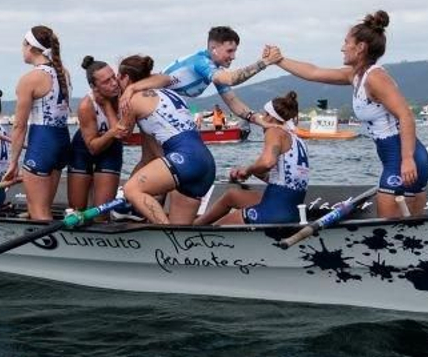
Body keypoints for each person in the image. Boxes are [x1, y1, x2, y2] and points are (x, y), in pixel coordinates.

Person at [271, 10, 428, 218]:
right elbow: (314, 72)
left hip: (403, 162)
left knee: (389, 234)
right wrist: (279, 60)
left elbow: (406, 115)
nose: (342, 47)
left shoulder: (376, 78)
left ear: (361, 48)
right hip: (397, 161)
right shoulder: (355, 75)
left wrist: (407, 159)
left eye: (346, 42)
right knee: (406, 234)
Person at [116, 55, 216, 224]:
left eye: (118, 78)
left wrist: (108, 106)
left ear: (124, 77)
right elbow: (148, 158)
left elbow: (121, 133)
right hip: (205, 163)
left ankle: (165, 231)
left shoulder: (131, 100)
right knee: (178, 239)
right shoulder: (168, 92)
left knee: (132, 189)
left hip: (186, 159)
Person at [196, 91, 309, 226]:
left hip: (273, 211)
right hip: (291, 207)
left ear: (270, 117)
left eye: (264, 115)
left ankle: (196, 232)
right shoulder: (297, 140)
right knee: (232, 196)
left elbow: (267, 162)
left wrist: (248, 170)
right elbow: (283, 178)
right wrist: (247, 171)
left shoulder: (274, 131)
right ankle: (195, 225)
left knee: (213, 232)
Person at [125, 25, 278, 124]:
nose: (233, 57)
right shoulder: (201, 62)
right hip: (147, 105)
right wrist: (263, 63)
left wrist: (262, 121)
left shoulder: (215, 70)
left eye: (235, 51)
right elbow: (231, 79)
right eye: (229, 51)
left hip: (159, 111)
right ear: (213, 48)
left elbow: (233, 103)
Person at [3, 25, 72, 221]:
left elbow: (19, 126)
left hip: (43, 143)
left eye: (22, 45)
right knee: (42, 208)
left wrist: (13, 162)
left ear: (31, 47)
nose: (21, 50)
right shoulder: (62, 73)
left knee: (39, 212)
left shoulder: (30, 79)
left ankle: (52, 249)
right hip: (61, 140)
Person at [67, 56, 127, 212]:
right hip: (85, 148)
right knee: (76, 210)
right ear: (94, 87)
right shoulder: (86, 106)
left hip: (111, 148)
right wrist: (111, 132)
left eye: (113, 77)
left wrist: (107, 105)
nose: (114, 83)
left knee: (102, 212)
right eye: (106, 82)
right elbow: (93, 147)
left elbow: (119, 134)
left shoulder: (124, 93)